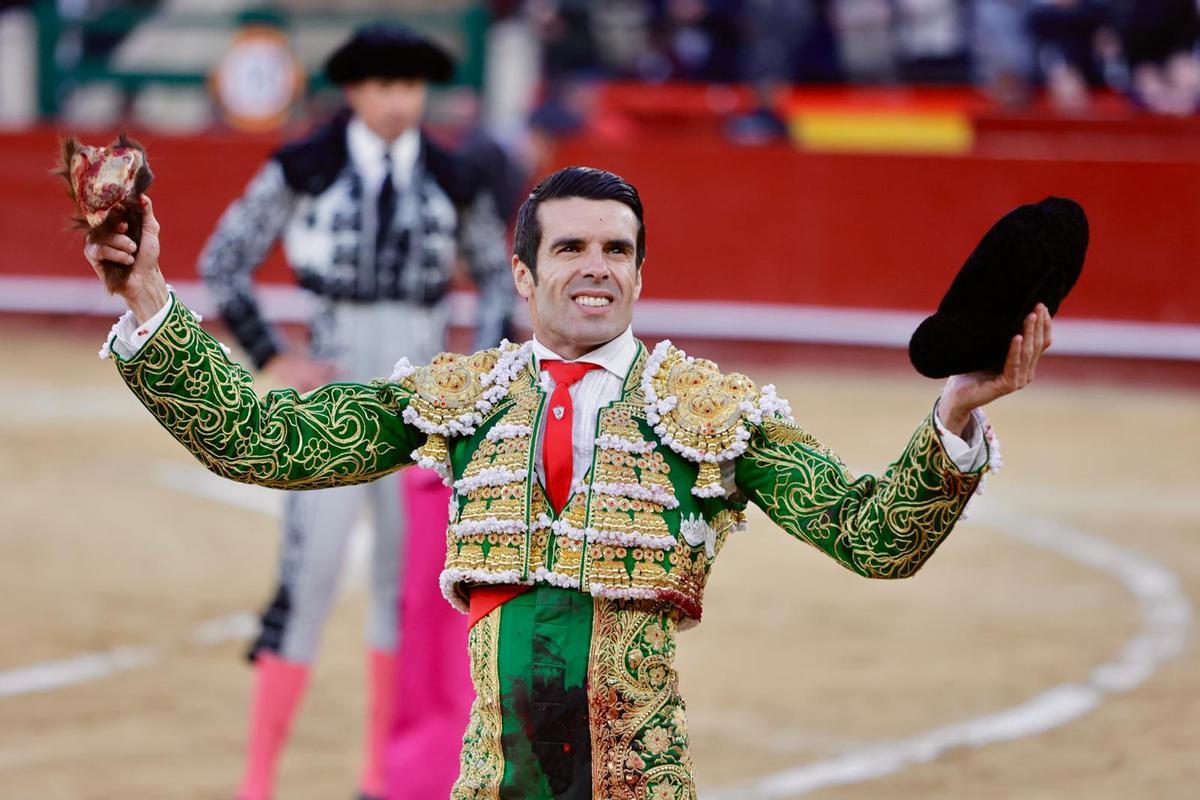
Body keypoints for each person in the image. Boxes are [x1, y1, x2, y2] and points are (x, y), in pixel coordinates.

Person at [87, 165, 1050, 799]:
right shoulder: (456, 398)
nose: (596, 269)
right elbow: (267, 442)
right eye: (571, 249)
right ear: (521, 270)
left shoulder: (708, 410)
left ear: (640, 272)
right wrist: (148, 304)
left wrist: (956, 416)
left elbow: (869, 536)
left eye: (617, 250)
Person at [194, 23, 513, 800]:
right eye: (385, 85)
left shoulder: (455, 171)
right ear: (357, 90)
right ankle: (257, 783)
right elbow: (222, 260)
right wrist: (274, 356)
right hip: (331, 402)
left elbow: (502, 279)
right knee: (307, 581)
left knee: (406, 591)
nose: (400, 100)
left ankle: (384, 780)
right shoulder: (304, 163)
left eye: (411, 86)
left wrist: (483, 374)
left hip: (421, 407)